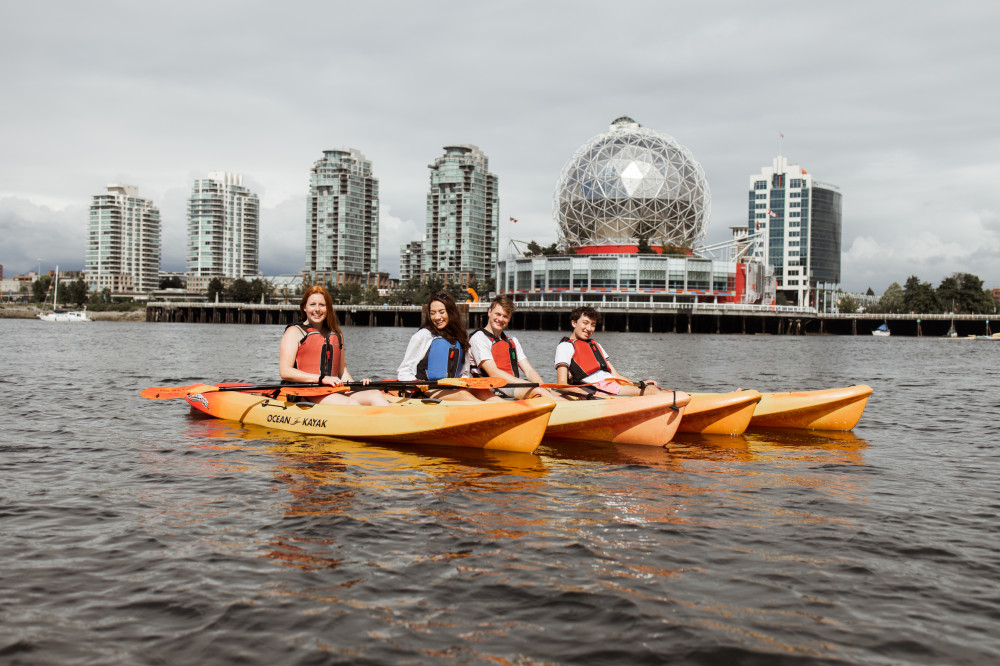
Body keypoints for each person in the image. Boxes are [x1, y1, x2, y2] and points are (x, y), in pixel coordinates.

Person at [279, 286, 389, 406]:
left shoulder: (336, 334)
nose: (317, 309)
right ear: (304, 307)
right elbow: (285, 371)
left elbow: (342, 373)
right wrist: (322, 379)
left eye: (322, 305)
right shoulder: (294, 332)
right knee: (351, 403)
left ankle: (391, 423)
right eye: (312, 304)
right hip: (306, 392)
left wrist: (357, 385)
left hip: (332, 390)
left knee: (375, 394)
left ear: (328, 308)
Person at [397, 292, 500, 402]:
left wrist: (464, 383)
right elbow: (404, 371)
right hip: (427, 390)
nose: (437, 317)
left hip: (452, 388)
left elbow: (464, 373)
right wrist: (416, 383)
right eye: (432, 313)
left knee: (482, 392)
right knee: (462, 395)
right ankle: (490, 413)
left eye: (442, 312)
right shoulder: (423, 335)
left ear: (450, 313)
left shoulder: (461, 336)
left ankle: (510, 410)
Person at [469, 294, 563, 400]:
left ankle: (573, 406)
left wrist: (541, 384)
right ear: (489, 312)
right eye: (498, 314)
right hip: (491, 389)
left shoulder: (512, 340)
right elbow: (493, 372)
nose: (500, 319)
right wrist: (531, 385)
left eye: (505, 316)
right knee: (538, 391)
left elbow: (528, 370)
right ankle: (568, 410)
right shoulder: (479, 338)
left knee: (556, 393)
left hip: (510, 387)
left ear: (510, 318)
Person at [554, 305, 661, 396]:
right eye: (585, 323)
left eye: (593, 325)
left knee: (652, 387)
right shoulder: (565, 346)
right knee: (651, 391)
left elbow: (617, 376)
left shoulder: (595, 345)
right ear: (574, 323)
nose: (589, 328)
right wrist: (582, 394)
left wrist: (639, 382)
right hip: (595, 388)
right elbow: (562, 383)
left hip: (612, 383)